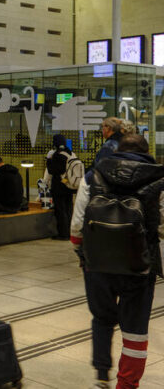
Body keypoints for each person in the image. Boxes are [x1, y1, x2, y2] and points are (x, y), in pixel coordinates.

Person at [70, 134, 163, 389]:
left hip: (97, 262)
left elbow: (77, 223)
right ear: (146, 152)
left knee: (101, 317)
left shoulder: (94, 175)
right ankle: (127, 384)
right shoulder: (158, 178)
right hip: (140, 265)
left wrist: (81, 253)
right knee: (135, 329)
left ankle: (102, 374)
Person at [43, 134, 76, 240]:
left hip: (59, 186)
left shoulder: (56, 155)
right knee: (69, 210)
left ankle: (63, 234)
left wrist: (48, 159)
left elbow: (52, 170)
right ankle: (70, 232)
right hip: (69, 185)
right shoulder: (71, 153)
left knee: (60, 211)